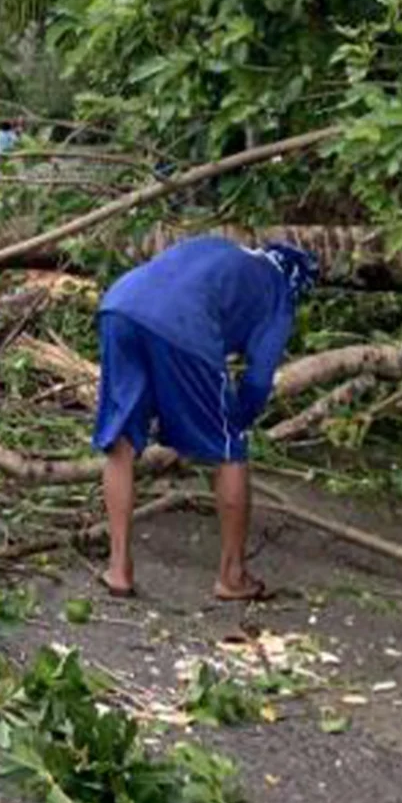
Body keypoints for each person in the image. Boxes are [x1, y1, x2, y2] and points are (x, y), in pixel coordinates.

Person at [93, 238, 320, 601]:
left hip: (120, 304)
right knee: (230, 449)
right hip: (183, 322)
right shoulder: (280, 292)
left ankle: (118, 569)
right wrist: (236, 421)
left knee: (121, 442)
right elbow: (258, 379)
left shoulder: (220, 248)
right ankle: (232, 576)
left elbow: (167, 283)